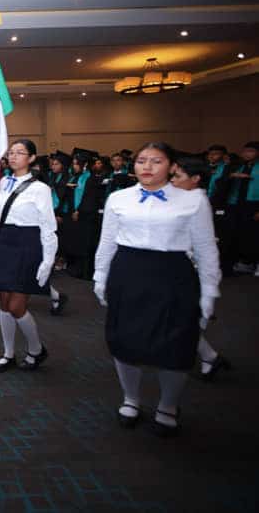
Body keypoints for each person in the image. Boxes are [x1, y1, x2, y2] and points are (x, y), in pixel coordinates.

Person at [94, 142, 220, 437]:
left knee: (174, 344)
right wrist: (101, 275)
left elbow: (205, 249)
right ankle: (131, 398)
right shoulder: (118, 199)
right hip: (128, 273)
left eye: (156, 161)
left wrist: (210, 290)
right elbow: (107, 241)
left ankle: (168, 405)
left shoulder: (193, 201)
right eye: (141, 161)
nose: (147, 167)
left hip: (173, 275)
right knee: (125, 341)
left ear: (172, 166)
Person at [0, 139, 55, 373]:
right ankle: (8, 353)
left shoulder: (40, 188)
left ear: (32, 158)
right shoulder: (3, 182)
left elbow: (48, 226)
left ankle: (36, 349)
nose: (13, 156)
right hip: (6, 242)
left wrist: (48, 260)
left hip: (28, 244)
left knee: (16, 306)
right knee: (4, 303)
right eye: (11, 152)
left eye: (20, 153)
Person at [171, 157, 232, 381]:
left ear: (195, 179)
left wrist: (208, 289)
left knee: (183, 323)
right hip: (179, 269)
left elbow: (205, 247)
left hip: (192, 270)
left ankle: (210, 358)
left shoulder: (198, 201)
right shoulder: (181, 198)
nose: (173, 180)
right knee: (181, 323)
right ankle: (210, 357)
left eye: (178, 176)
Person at [63, 152, 102, 280]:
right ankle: (75, 268)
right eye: (73, 164)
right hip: (74, 215)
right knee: (75, 243)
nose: (74, 166)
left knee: (85, 244)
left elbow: (89, 198)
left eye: (76, 164)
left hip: (86, 217)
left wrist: (78, 210)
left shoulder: (91, 178)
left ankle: (85, 272)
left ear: (84, 164)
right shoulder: (75, 177)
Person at [222, 141, 259, 276]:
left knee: (254, 234)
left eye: (251, 151)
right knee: (239, 234)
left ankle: (254, 263)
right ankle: (245, 263)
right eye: (245, 151)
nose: (247, 154)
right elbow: (221, 181)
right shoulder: (239, 166)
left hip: (254, 203)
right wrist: (232, 175)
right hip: (236, 203)